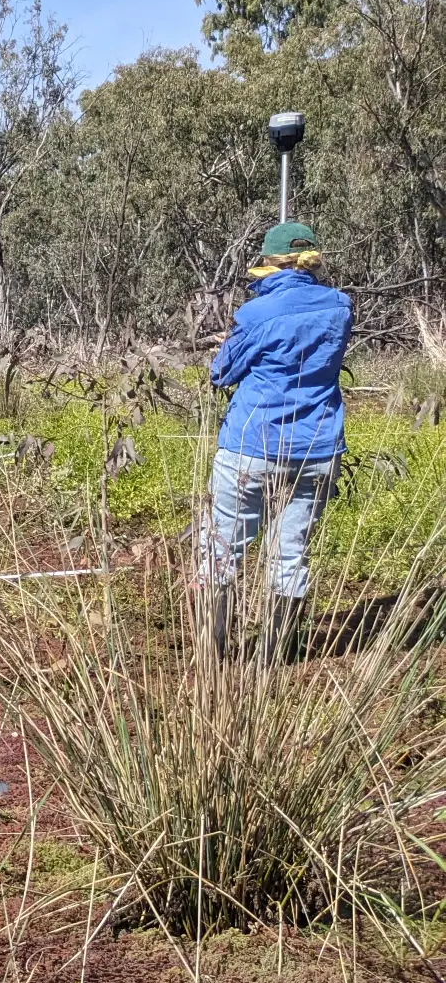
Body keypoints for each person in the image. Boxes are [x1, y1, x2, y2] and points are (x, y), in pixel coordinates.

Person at [200, 220, 352, 660]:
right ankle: (274, 657)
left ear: (269, 261)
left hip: (252, 444)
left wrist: (233, 340)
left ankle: (214, 658)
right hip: (318, 448)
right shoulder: (341, 306)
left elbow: (222, 373)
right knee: (290, 555)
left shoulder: (256, 314)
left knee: (221, 549)